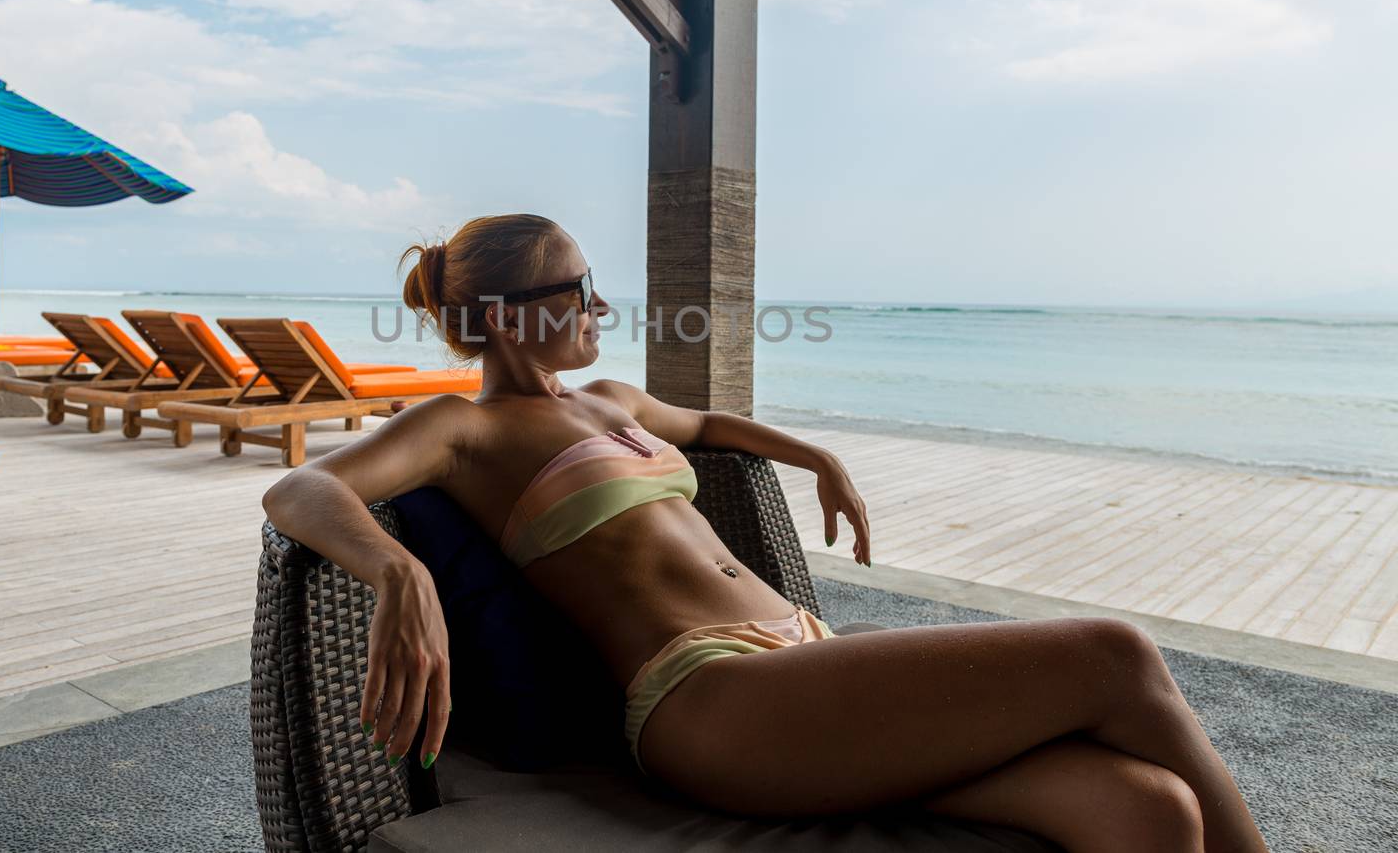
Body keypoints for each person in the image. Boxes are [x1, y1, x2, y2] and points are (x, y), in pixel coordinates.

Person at [262, 213, 1267, 853]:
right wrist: (395, 571)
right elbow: (303, 490)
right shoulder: (463, 429)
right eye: (576, 288)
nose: (599, 303)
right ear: (507, 316)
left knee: (1146, 812)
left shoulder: (609, 398)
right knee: (1113, 654)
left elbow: (704, 428)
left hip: (801, 666)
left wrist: (814, 458)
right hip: (707, 701)